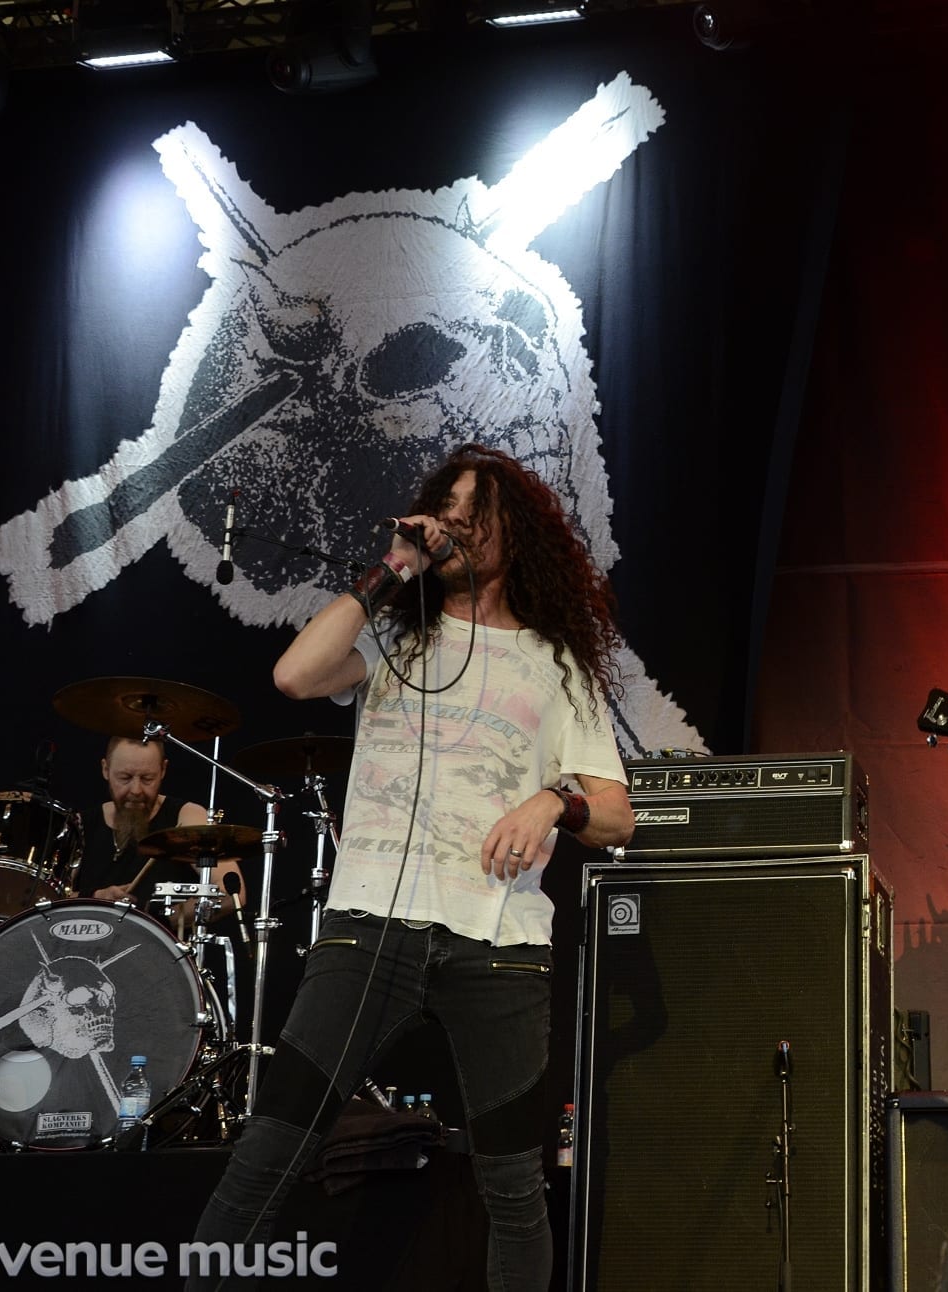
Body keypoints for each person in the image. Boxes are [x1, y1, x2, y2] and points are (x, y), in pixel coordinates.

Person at [187, 443, 634, 1292]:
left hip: (499, 944)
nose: (454, 526)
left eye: (474, 515)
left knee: (514, 1191)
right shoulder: (396, 634)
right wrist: (391, 568)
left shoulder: (557, 663)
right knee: (265, 1159)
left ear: (514, 534)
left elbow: (617, 814)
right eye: (445, 512)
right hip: (369, 927)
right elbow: (294, 675)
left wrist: (554, 801)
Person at [74, 733, 212, 909]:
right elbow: (47, 896)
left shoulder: (186, 816)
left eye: (147, 779)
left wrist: (170, 919)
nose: (136, 790)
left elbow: (230, 893)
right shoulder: (80, 825)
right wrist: (96, 898)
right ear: (105, 769)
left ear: (163, 770)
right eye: (125, 778)